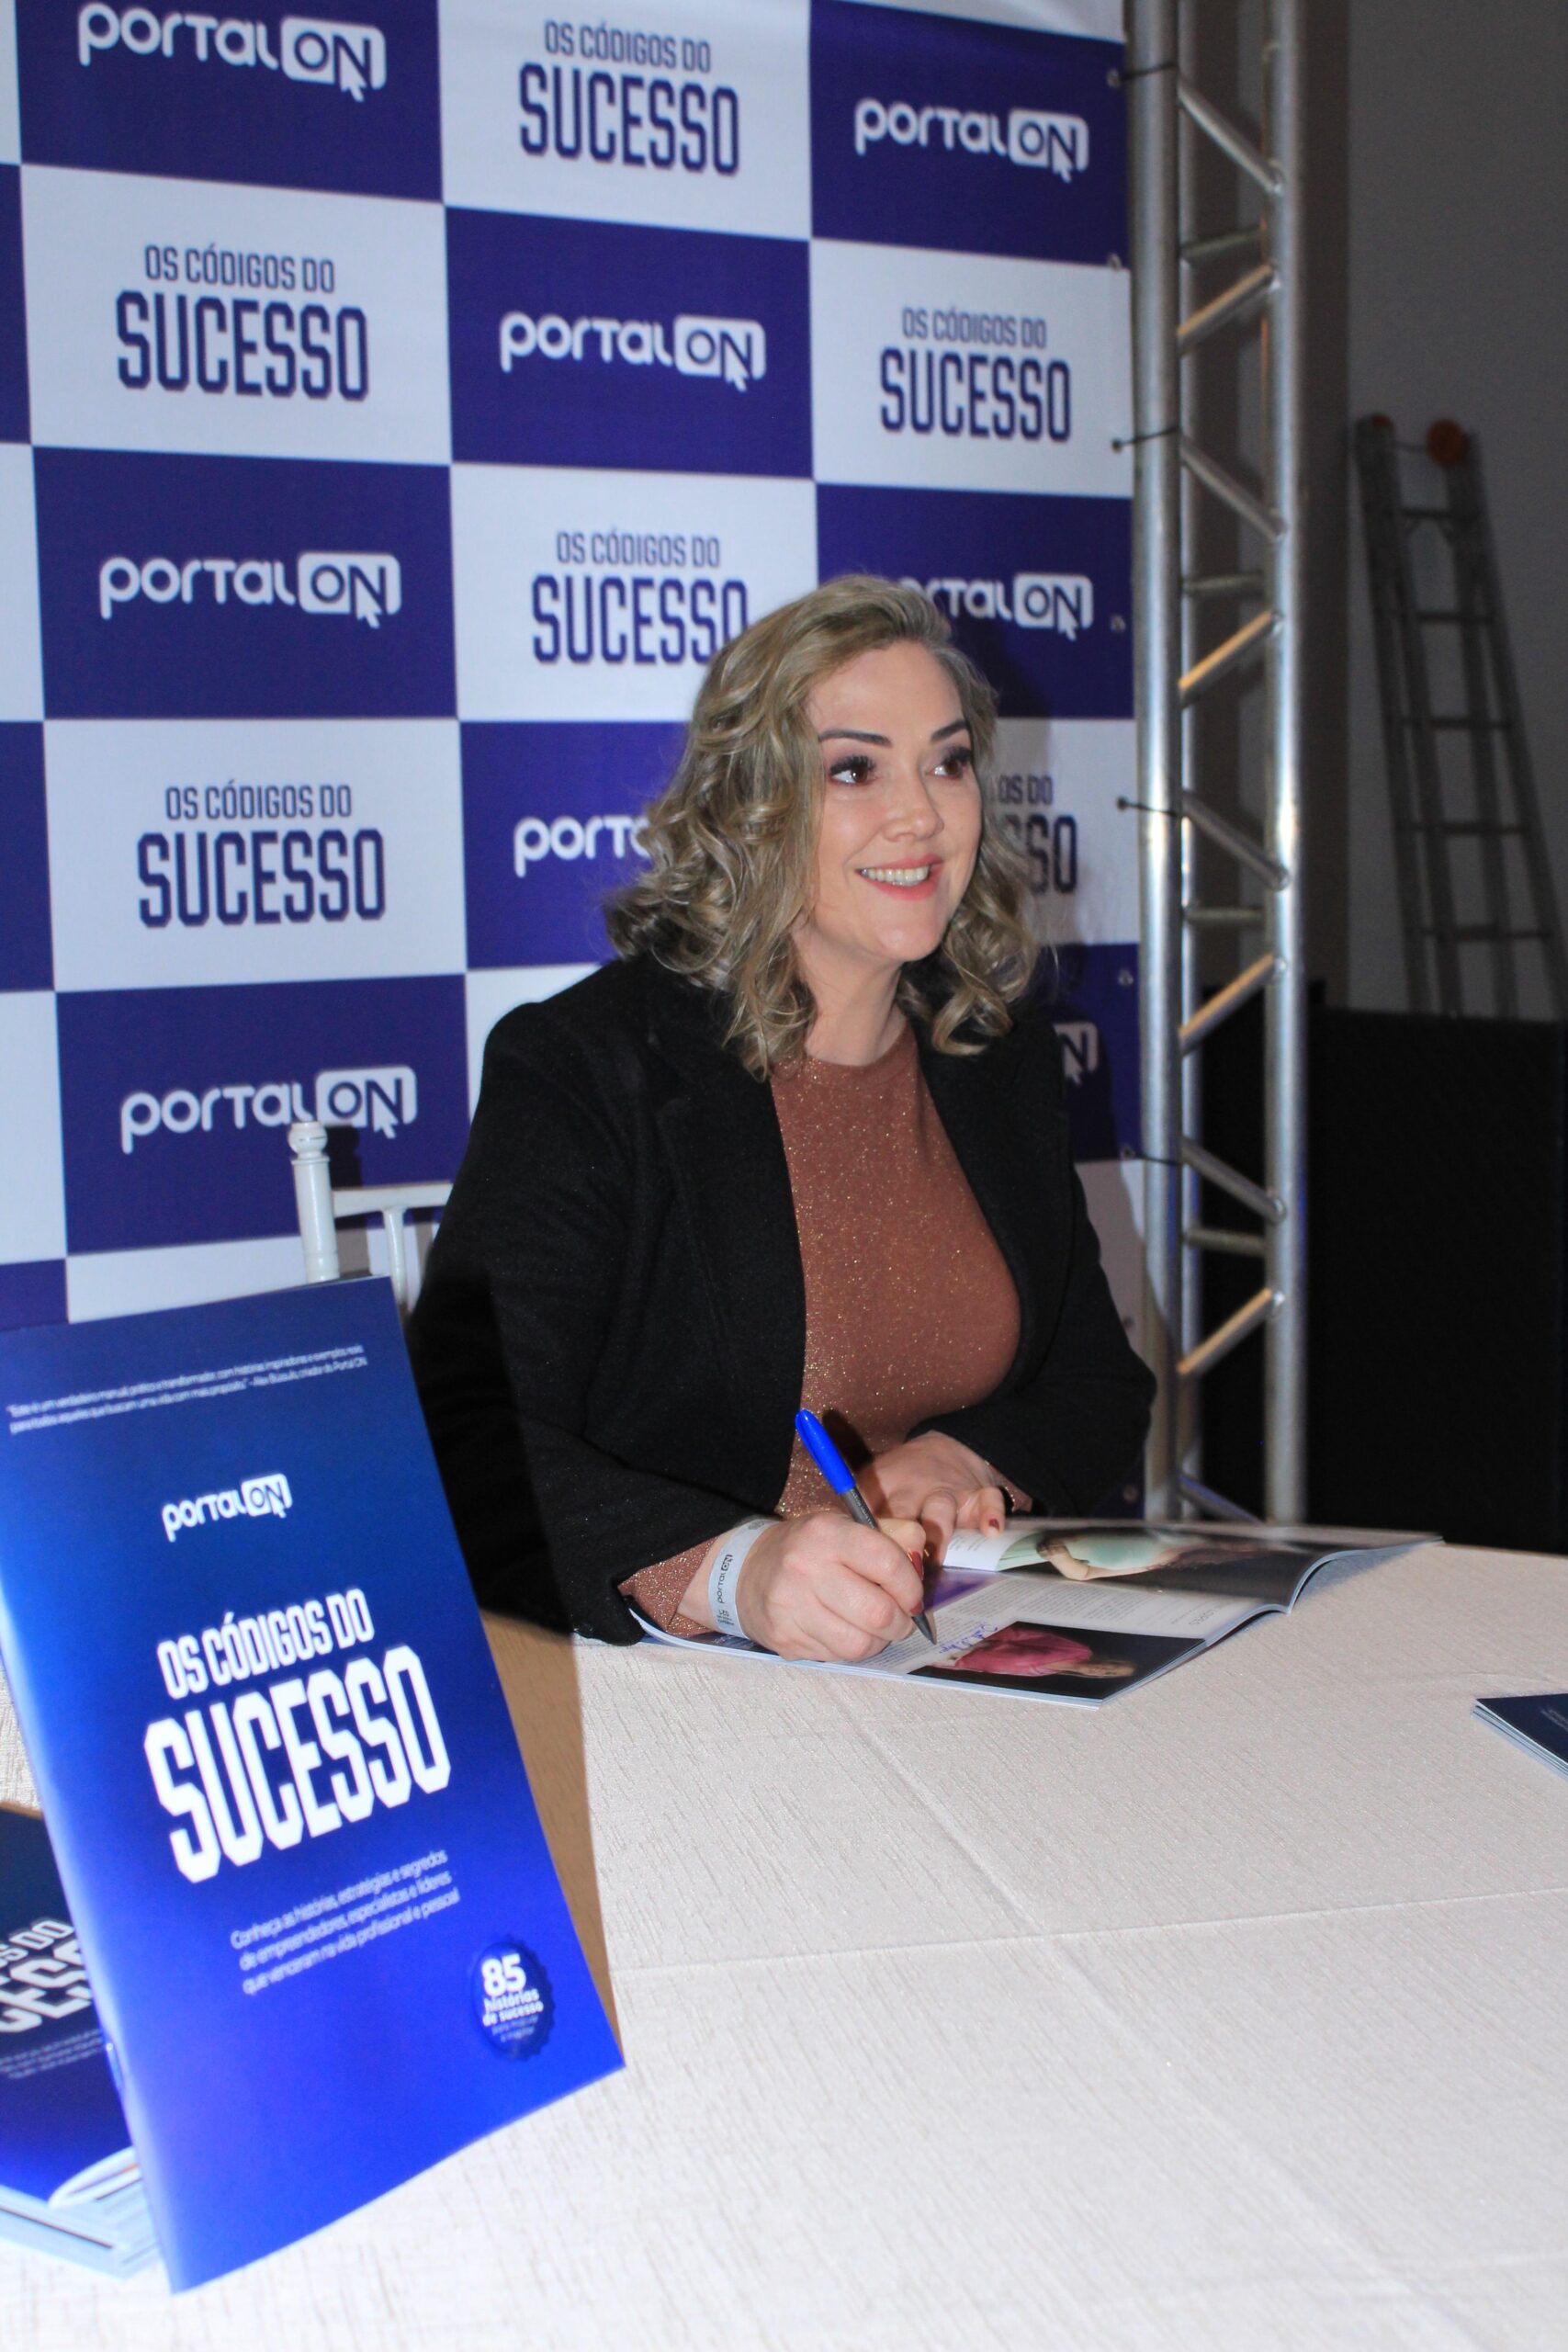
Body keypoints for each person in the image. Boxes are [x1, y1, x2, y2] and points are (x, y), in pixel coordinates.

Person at [408, 575, 1155, 1662]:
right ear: (749, 806)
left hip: (953, 1642)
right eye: (855, 768)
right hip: (679, 1678)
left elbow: (1100, 1384)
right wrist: (735, 1571)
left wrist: (964, 1455)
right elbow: (459, 1436)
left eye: (947, 762)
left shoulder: (997, 1055)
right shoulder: (587, 1068)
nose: (922, 813)